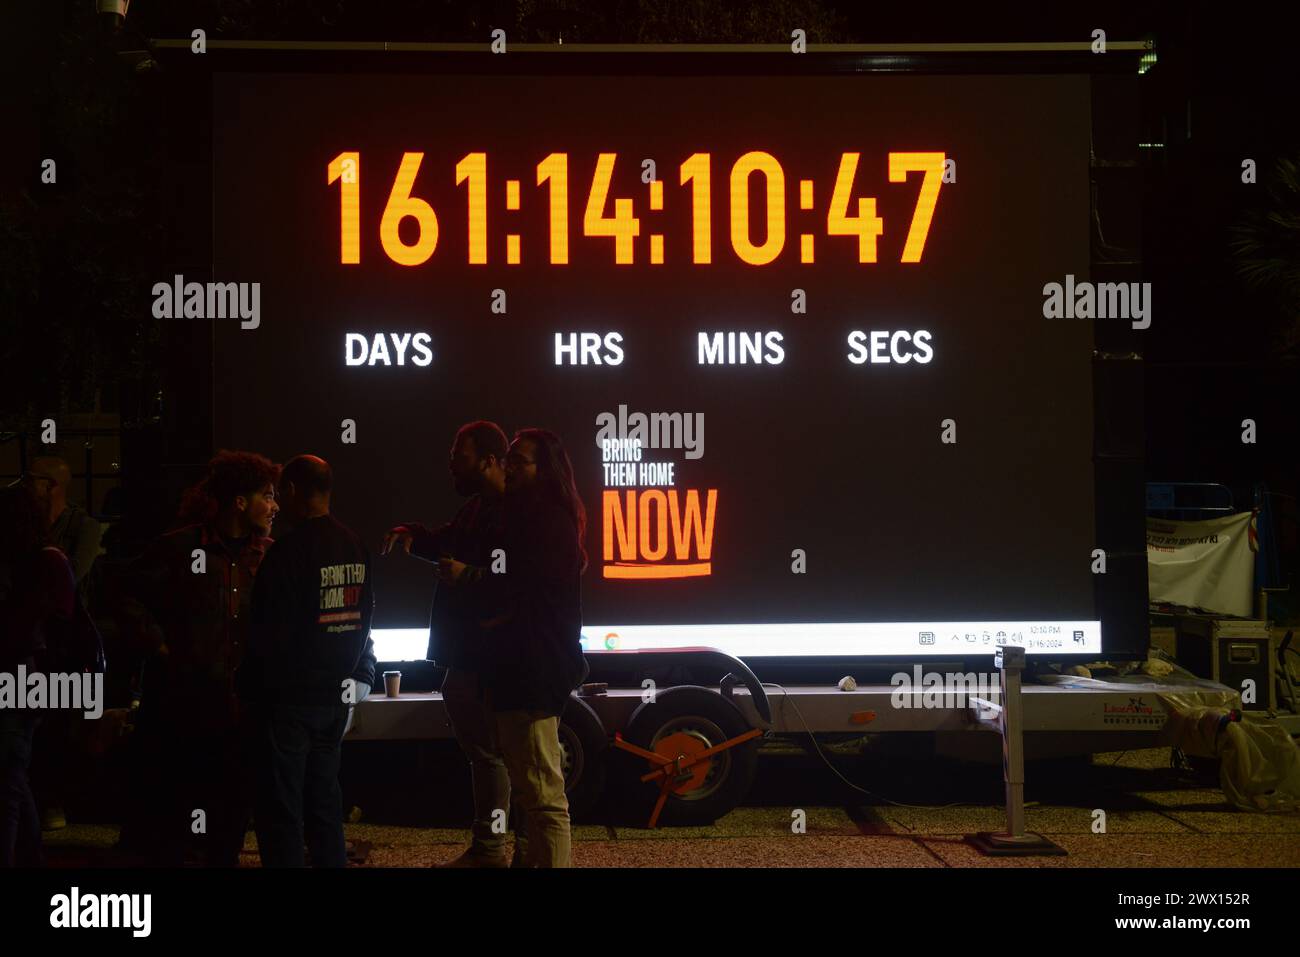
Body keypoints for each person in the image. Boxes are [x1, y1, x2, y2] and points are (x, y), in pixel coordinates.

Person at [116, 450, 279, 866]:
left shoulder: (271, 555)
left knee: (230, 817)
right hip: (185, 709)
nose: (274, 505)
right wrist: (158, 644)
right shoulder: (180, 547)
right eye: (266, 495)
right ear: (239, 501)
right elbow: (121, 592)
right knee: (177, 819)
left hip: (243, 710)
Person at [449, 428, 586, 868]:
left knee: (543, 796)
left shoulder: (545, 521)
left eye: (520, 460)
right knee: (533, 791)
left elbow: (520, 589)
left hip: (531, 673)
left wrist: (469, 579)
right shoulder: (527, 516)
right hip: (521, 672)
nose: (509, 465)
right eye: (508, 458)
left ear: (544, 469)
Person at [381, 421, 513, 867]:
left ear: (490, 460)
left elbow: (520, 580)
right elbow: (449, 541)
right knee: (488, 756)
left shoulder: (514, 512)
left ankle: (494, 850)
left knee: (494, 757)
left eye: (460, 454)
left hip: (490, 656)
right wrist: (416, 537)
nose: (451, 463)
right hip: (471, 656)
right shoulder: (479, 509)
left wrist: (467, 575)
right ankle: (494, 848)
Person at [239, 455, 373, 868]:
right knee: (324, 802)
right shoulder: (354, 545)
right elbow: (365, 619)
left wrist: (253, 689)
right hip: (335, 699)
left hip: (290, 701)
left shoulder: (287, 553)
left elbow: (266, 632)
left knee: (281, 809)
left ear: (294, 491)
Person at [23, 457, 104, 833]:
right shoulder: (31, 524)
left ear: (52, 485)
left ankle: (51, 799)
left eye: (34, 480)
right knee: (36, 717)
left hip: (64, 639)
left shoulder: (81, 526)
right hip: (38, 634)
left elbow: (71, 575)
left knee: (58, 720)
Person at [0, 484, 76, 867]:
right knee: (13, 778)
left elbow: (31, 625)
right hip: (29, 679)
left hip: (22, 677)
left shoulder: (34, 563)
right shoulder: (46, 560)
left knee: (9, 780)